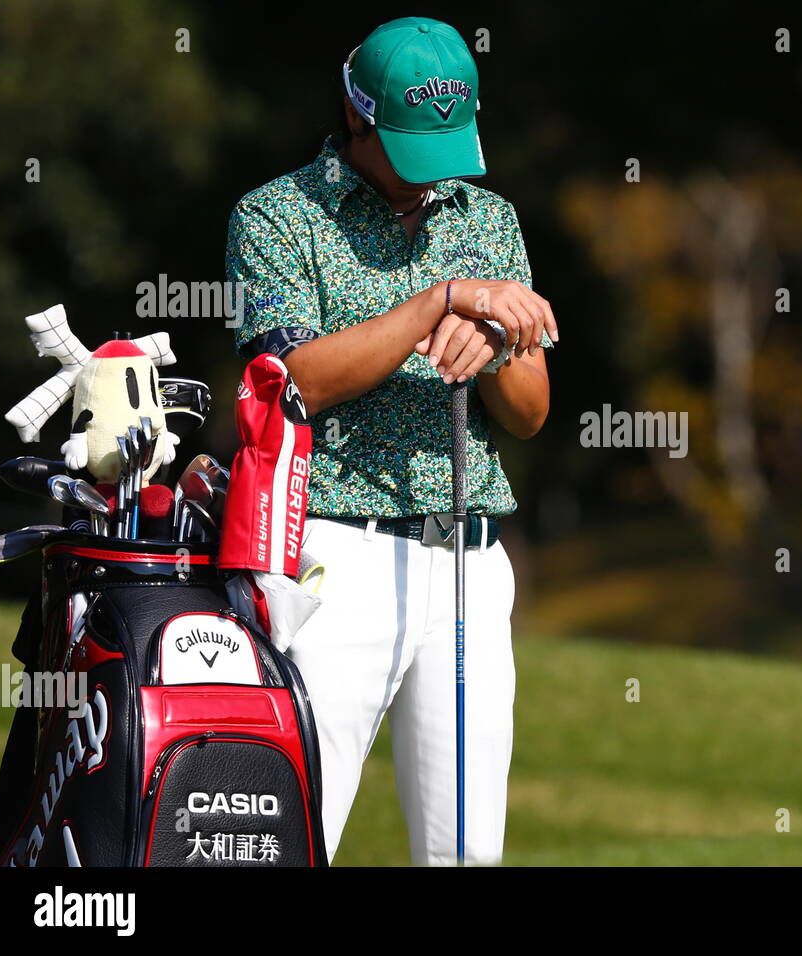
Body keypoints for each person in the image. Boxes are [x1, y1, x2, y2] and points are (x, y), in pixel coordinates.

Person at [224, 16, 557, 865]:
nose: (429, 174)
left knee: (468, 851)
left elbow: (528, 414)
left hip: (467, 565)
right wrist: (439, 302)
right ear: (356, 115)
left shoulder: (490, 218)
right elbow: (291, 378)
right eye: (410, 144)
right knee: (297, 834)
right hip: (337, 557)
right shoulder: (275, 216)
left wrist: (494, 348)